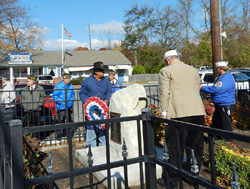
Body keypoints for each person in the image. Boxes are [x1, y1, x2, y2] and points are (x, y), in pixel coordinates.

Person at [158, 50, 206, 188]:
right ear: (177, 58)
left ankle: (172, 180)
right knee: (194, 147)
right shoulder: (192, 70)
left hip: (178, 113)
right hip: (197, 111)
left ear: (167, 60)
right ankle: (193, 176)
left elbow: (164, 91)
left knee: (174, 148)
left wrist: (164, 112)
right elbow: (197, 88)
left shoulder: (166, 71)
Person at [79, 61, 112, 147]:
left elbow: (109, 91)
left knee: (103, 133)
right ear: (96, 72)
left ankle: (104, 150)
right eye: (101, 71)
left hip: (103, 112)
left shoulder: (106, 81)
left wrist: (107, 100)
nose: (103, 72)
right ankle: (91, 152)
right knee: (91, 132)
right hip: (91, 111)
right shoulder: (87, 81)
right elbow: (82, 94)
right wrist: (89, 102)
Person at [200, 60, 235, 142]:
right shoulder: (225, 77)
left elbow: (215, 89)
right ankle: (217, 141)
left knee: (225, 126)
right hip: (221, 105)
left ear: (220, 68)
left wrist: (202, 88)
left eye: (217, 68)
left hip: (225, 105)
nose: (216, 70)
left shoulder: (225, 78)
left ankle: (228, 143)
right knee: (217, 124)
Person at [52, 73, 75, 138]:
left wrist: (72, 100)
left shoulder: (70, 85)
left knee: (70, 120)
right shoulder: (58, 86)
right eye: (68, 79)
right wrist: (60, 102)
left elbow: (73, 94)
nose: (69, 80)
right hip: (61, 106)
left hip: (69, 106)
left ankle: (70, 134)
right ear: (64, 79)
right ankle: (59, 135)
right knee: (61, 121)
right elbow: (55, 96)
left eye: (70, 78)